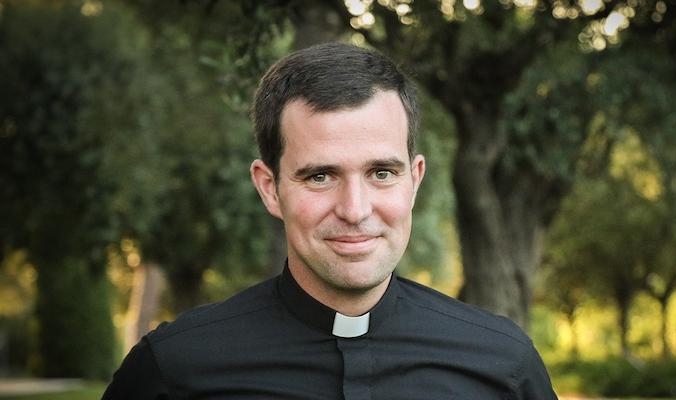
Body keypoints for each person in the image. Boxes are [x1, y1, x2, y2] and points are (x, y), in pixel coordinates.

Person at [102, 42, 557, 400]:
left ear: (414, 180)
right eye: (320, 176)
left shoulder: (504, 366)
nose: (355, 210)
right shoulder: (174, 371)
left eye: (382, 173)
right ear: (269, 188)